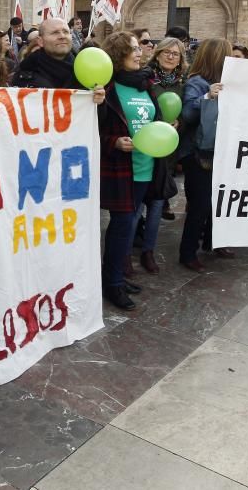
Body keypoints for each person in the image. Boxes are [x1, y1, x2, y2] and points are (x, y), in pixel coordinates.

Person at [99, 31, 161, 310]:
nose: (140, 53)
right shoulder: (106, 88)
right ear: (117, 54)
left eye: (139, 48)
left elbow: (154, 117)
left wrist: (165, 128)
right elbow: (89, 131)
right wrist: (114, 142)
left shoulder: (145, 84)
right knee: (122, 226)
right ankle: (111, 283)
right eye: (133, 49)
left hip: (146, 167)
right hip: (119, 169)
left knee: (129, 224)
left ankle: (117, 277)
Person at [176, 37, 231, 271]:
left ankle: (212, 241)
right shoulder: (197, 82)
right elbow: (187, 114)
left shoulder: (225, 82)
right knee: (199, 204)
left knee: (216, 201)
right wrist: (208, 97)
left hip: (218, 151)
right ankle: (188, 253)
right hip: (197, 154)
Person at [11, 18, 105, 104]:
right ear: (41, 41)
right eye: (55, 33)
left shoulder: (85, 72)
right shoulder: (24, 75)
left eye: (66, 32)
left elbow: (98, 119)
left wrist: (99, 103)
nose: (62, 36)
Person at [148, 37, 188, 223]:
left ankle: (149, 246)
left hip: (169, 146)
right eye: (167, 52)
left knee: (158, 196)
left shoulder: (183, 83)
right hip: (147, 142)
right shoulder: (146, 78)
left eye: (175, 54)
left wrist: (179, 121)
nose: (171, 57)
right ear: (158, 54)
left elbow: (185, 110)